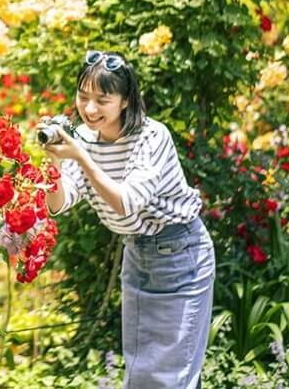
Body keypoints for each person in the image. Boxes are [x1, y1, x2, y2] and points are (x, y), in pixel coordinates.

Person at [41, 49, 215, 389]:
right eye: (83, 97)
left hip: (181, 256)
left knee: (170, 377)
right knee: (141, 375)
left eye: (102, 100)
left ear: (124, 101)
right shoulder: (86, 140)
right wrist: (56, 164)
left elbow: (127, 203)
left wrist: (81, 156)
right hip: (137, 255)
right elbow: (59, 204)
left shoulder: (152, 137)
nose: (90, 110)